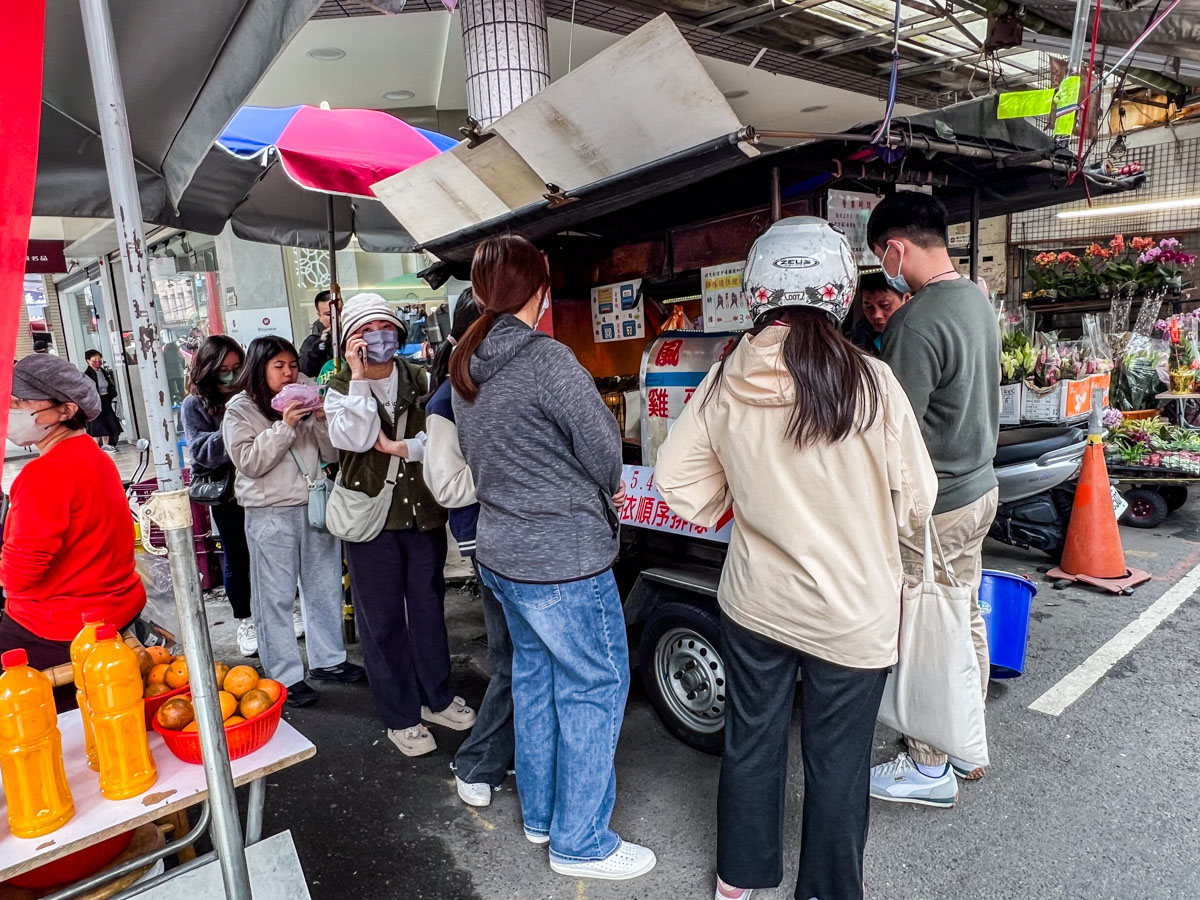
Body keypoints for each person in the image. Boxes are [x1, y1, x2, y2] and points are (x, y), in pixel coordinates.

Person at [655, 217, 936, 900]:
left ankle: (738, 880)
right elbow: (918, 498)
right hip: (853, 614)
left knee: (752, 741)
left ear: (756, 292)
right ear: (839, 291)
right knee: (838, 764)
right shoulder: (872, 381)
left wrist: (739, 502)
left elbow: (676, 482)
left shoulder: (724, 381)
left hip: (757, 603)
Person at [451, 235, 655, 882]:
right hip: (563, 559)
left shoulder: (466, 362)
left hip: (502, 552)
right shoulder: (546, 359)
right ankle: (581, 840)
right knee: (596, 686)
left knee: (535, 680)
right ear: (539, 291)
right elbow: (604, 451)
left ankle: (542, 815)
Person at [866, 191, 1001, 802]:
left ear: (896, 248)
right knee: (960, 613)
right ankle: (965, 742)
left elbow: (893, 436)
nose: (884, 269)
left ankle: (927, 765)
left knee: (924, 631)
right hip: (979, 490)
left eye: (881, 256)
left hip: (935, 507)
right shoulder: (975, 299)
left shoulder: (915, 322)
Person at [324, 293, 473, 756]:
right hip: (372, 521)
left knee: (429, 611)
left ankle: (437, 697)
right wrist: (359, 380)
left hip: (422, 514)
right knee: (382, 621)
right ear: (350, 340)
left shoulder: (420, 377)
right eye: (366, 331)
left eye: (385, 327)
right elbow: (354, 438)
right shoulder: (339, 386)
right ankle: (400, 715)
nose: (378, 338)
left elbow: (440, 438)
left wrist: (405, 448)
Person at [222, 336, 364, 707]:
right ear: (260, 368)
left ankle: (329, 660)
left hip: (314, 504)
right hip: (269, 513)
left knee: (324, 587)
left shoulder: (307, 396)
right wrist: (284, 426)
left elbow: (331, 453)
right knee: (276, 597)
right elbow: (250, 463)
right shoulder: (241, 409)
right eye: (279, 366)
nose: (288, 373)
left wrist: (319, 420)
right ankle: (284, 676)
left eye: (292, 365)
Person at [0, 354, 146, 709]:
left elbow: (17, 577)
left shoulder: (43, 475)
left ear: (66, 410)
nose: (11, 410)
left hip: (59, 626)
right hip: (115, 606)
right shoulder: (97, 458)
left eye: (21, 402)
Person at [422, 289, 514, 806]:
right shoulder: (445, 401)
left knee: (522, 656)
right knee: (512, 657)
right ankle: (479, 760)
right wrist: (513, 469)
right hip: (486, 537)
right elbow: (447, 485)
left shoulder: (499, 383)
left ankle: (508, 752)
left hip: (517, 534)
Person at [182, 336, 258, 658]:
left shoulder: (253, 393)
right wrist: (235, 431)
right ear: (208, 370)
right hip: (228, 493)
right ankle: (245, 619)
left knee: (270, 554)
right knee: (237, 554)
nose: (231, 375)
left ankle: (277, 611)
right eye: (223, 370)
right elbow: (200, 451)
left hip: (263, 485)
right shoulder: (195, 404)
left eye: (236, 367)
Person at [850, 271, 910, 356]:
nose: (876, 315)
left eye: (885, 305)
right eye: (869, 307)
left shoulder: (919, 335)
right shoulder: (860, 339)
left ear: (906, 299)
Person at [82, 350, 122, 452]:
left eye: (99, 359)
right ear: (88, 361)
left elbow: (109, 385)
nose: (98, 362)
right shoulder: (87, 375)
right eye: (94, 360)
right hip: (94, 402)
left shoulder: (104, 372)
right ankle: (95, 446)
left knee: (108, 421)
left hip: (105, 400)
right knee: (97, 423)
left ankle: (106, 444)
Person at [299, 290, 333, 378]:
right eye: (329, 314)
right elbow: (304, 371)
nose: (335, 317)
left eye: (339, 311)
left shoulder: (355, 335)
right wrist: (319, 344)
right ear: (320, 316)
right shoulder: (312, 342)